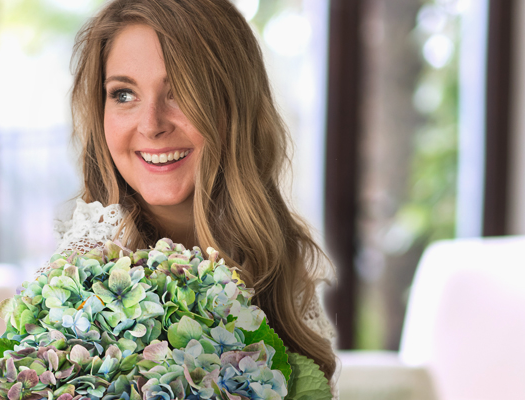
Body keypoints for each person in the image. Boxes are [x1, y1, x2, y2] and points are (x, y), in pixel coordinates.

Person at [39, 0, 339, 396]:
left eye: (179, 91)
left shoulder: (280, 265)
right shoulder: (81, 284)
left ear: (236, 105)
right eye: (124, 94)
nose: (152, 125)